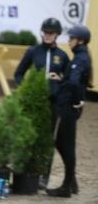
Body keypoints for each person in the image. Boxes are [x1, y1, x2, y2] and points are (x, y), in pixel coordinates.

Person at [13, 17, 70, 188]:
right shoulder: (33, 51)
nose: (47, 35)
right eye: (45, 32)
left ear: (57, 35)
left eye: (51, 33)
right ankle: (25, 171)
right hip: (33, 102)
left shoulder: (62, 56)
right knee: (29, 136)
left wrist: (59, 82)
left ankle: (44, 176)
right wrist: (27, 89)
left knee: (47, 139)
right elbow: (18, 74)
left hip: (52, 104)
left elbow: (68, 81)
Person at [46, 25, 92, 198]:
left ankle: (67, 186)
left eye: (71, 38)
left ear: (80, 40)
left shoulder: (80, 58)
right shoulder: (80, 56)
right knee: (60, 143)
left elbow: (74, 82)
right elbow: (74, 80)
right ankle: (71, 181)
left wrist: (76, 101)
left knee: (67, 146)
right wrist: (62, 78)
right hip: (69, 107)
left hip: (68, 108)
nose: (69, 40)